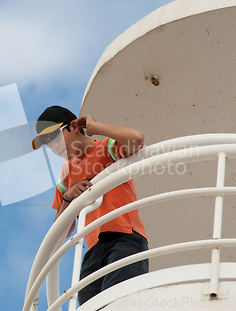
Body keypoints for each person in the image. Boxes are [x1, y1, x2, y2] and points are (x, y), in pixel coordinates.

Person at [31, 105, 149, 305]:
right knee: (89, 305)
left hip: (125, 238)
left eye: (54, 137)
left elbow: (137, 139)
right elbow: (61, 231)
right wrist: (67, 199)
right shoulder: (66, 172)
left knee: (119, 302)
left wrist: (95, 126)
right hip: (92, 251)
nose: (53, 147)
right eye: (46, 143)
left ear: (74, 127)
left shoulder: (106, 148)